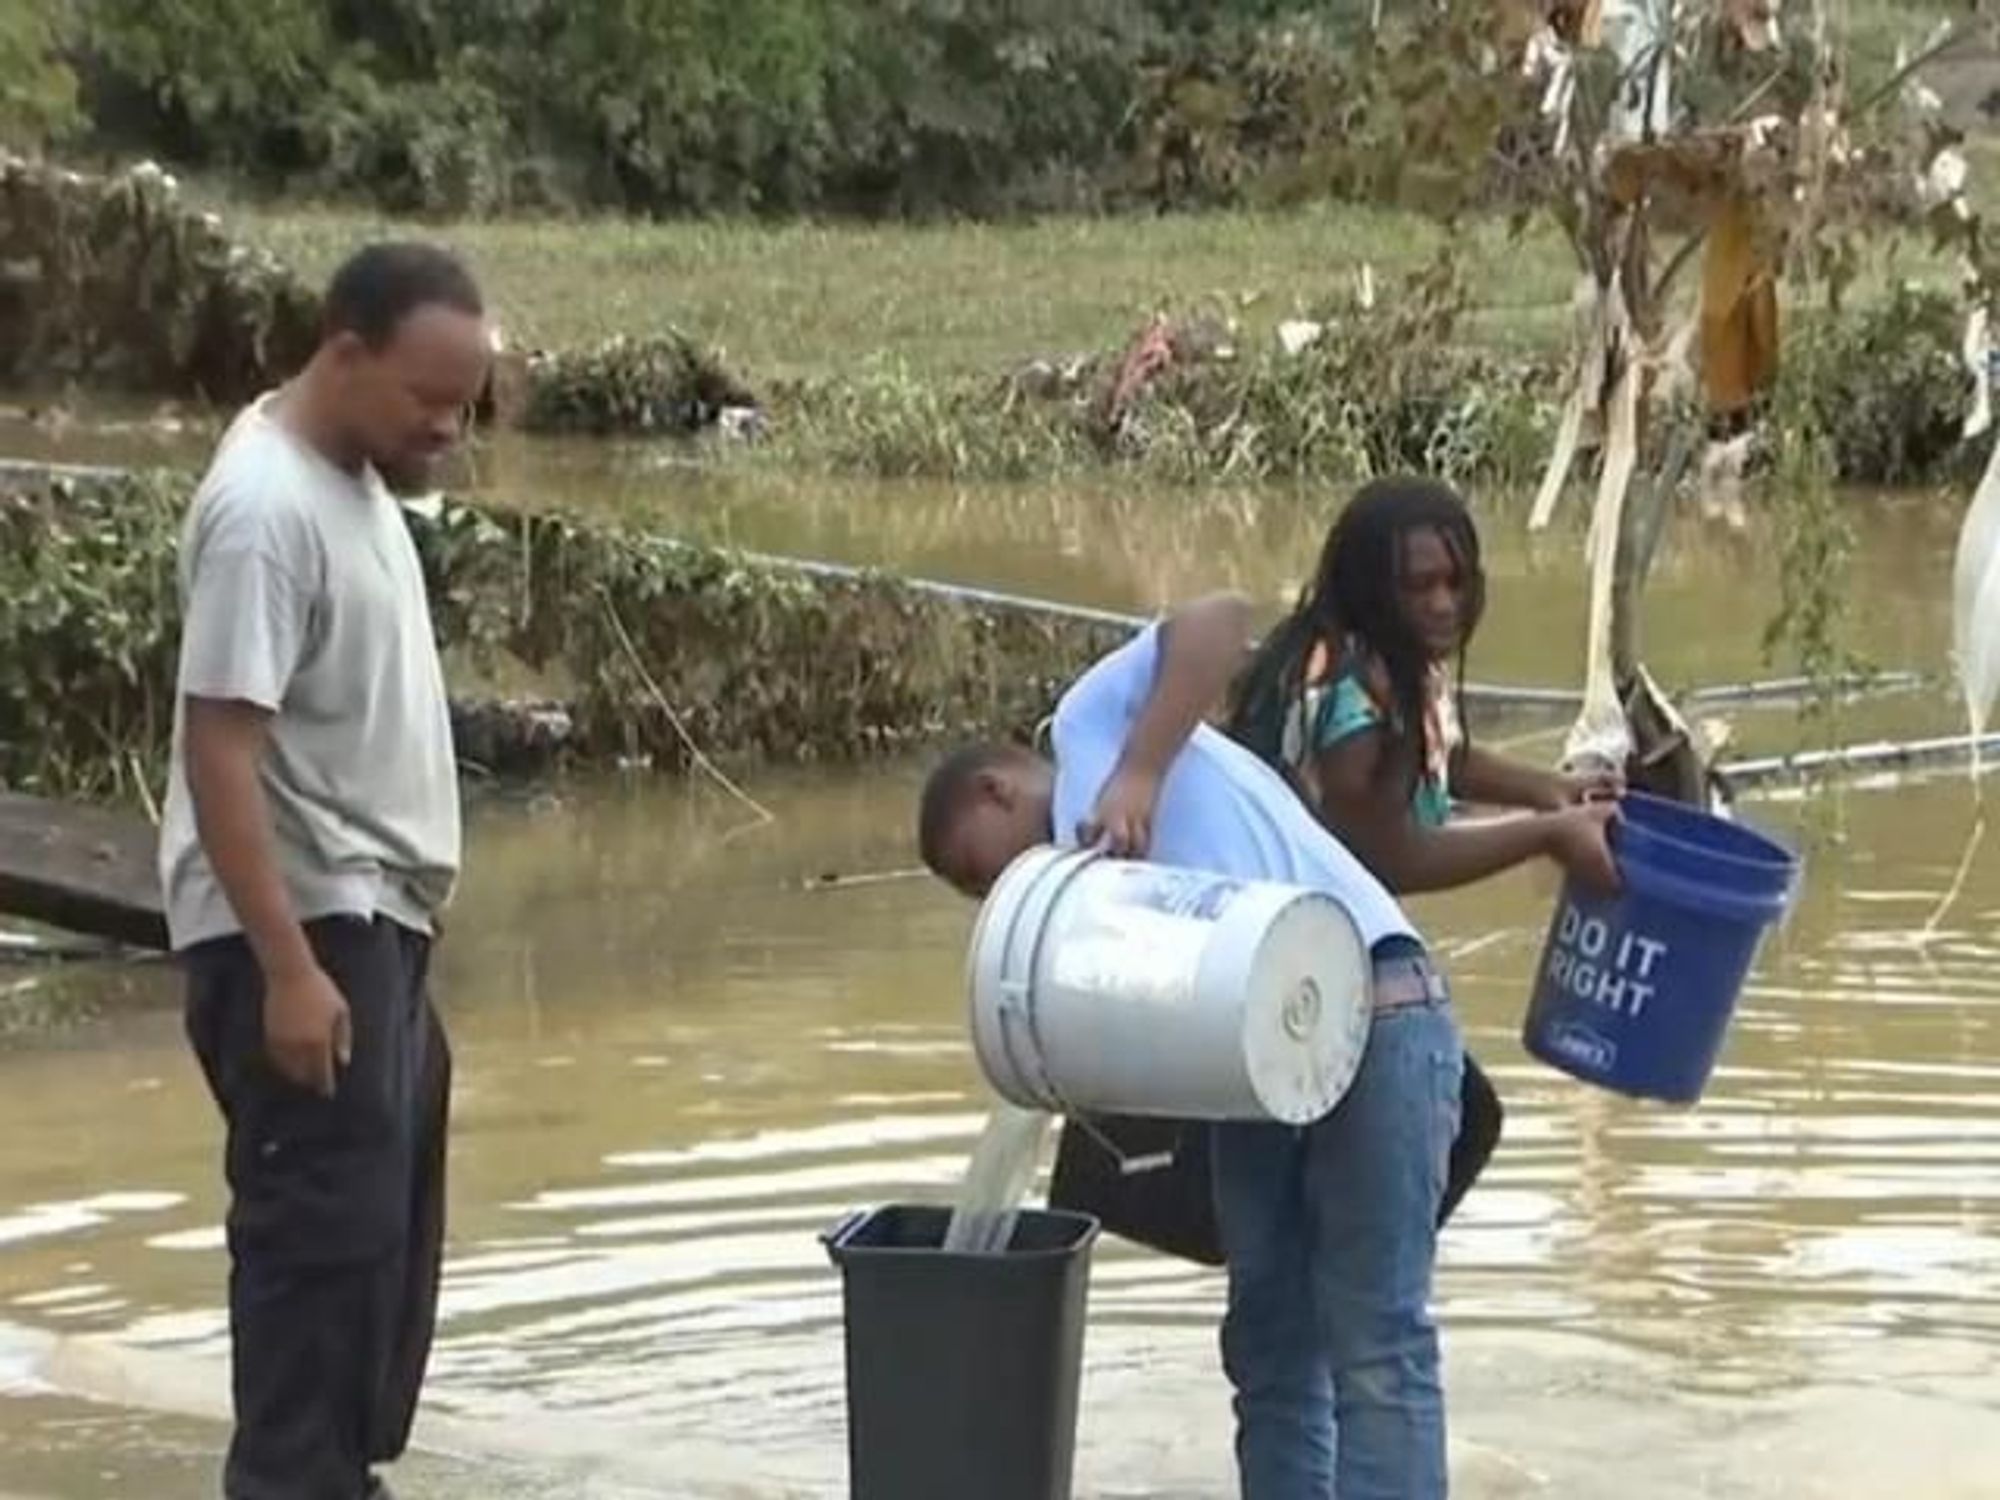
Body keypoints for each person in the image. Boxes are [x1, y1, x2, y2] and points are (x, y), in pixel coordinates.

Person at [917, 594, 1619, 1500]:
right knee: (1271, 1344)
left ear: (996, 790)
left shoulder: (1089, 732)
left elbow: (1217, 621)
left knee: (1375, 1338)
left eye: (979, 867)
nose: (997, 891)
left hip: (1376, 1002)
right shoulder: (1077, 902)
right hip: (1251, 1065)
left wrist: (1138, 773)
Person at [158, 242, 492, 1500]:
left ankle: (337, 1480)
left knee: (378, 1262)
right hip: (303, 933)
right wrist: (291, 972)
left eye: (464, 401)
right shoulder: (264, 511)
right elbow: (218, 749)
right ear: (344, 353)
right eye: (427, 397)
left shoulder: (349, 480)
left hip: (378, 928)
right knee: (316, 1261)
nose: (447, 427)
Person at [1229, 476, 1624, 1222]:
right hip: (1314, 990)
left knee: (1280, 1285)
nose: (1443, 604)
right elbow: (1388, 853)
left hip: (1263, 987)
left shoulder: (1373, 658)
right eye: (1419, 588)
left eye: (1455, 582)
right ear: (1376, 590)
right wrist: (1544, 835)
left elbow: (1443, 758)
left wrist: (1549, 790)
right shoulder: (1349, 687)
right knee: (1375, 1286)